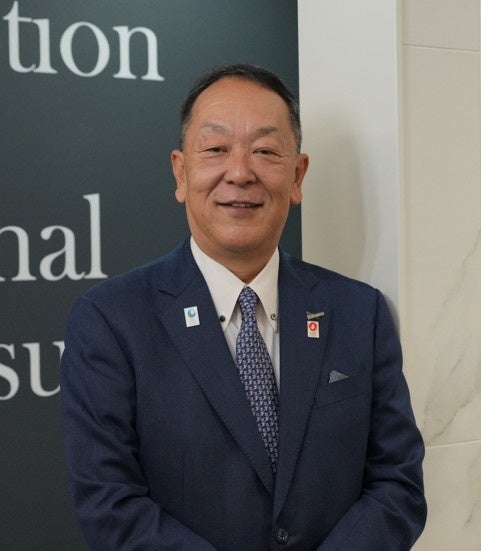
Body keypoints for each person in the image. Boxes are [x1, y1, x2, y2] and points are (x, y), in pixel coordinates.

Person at [60, 64, 427, 550]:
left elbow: (397, 485)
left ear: (297, 176)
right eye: (215, 149)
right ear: (180, 172)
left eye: (265, 151)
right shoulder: (110, 321)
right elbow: (110, 506)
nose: (239, 173)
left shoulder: (361, 312)